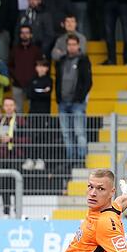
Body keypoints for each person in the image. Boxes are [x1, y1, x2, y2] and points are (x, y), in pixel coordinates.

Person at [56, 35, 92, 166]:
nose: (71, 47)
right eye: (69, 44)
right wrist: (58, 98)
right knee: (66, 133)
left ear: (78, 45)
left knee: (79, 132)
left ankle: (81, 159)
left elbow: (88, 82)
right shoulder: (61, 61)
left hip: (77, 103)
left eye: (73, 44)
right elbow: (58, 81)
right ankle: (70, 159)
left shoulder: (83, 60)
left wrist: (80, 98)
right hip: (63, 103)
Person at [0, 97, 27, 215]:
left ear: (15, 107)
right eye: (6, 105)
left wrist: (11, 139)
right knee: (3, 186)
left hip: (15, 157)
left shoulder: (21, 121)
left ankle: (18, 211)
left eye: (11, 105)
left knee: (16, 184)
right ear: (3, 107)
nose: (8, 108)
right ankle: (6, 211)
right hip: (2, 157)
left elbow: (27, 140)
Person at [8, 25, 43, 112]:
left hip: (32, 85)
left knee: (33, 109)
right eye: (22, 33)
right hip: (17, 85)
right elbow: (10, 66)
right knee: (17, 109)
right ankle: (18, 126)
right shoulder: (14, 50)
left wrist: (34, 79)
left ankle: (31, 126)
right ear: (19, 35)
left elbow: (40, 66)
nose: (24, 35)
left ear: (31, 35)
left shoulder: (36, 50)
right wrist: (15, 76)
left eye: (27, 33)